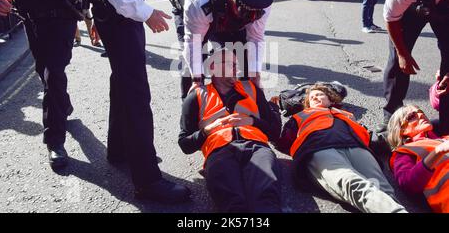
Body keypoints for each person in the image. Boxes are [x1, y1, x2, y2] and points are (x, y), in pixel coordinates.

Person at [87, 0, 190, 203]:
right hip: (121, 14)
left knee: (123, 80)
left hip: (116, 12)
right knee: (135, 91)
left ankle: (119, 148)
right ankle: (146, 181)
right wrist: (144, 12)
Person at [0, 0, 88, 170]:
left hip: (62, 18)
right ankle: (63, 103)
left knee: (54, 73)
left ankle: (55, 142)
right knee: (43, 70)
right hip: (32, 18)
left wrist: (92, 16)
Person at [276, 83, 407, 213]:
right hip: (320, 149)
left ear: (330, 99)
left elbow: (366, 136)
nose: (315, 98)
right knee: (351, 183)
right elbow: (282, 142)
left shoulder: (346, 115)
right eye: (311, 97)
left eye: (320, 94)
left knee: (382, 188)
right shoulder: (299, 116)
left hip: (357, 148)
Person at [178, 48, 282, 212]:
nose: (236, 68)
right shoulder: (196, 96)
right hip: (219, 151)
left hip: (257, 147)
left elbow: (275, 133)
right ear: (212, 67)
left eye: (236, 64)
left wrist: (252, 121)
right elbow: (185, 144)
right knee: (230, 200)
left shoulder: (252, 89)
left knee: (266, 195)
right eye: (230, 64)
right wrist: (207, 130)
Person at [170, 0, 273, 100]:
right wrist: (197, 81)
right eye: (246, 12)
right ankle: (191, 108)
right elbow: (193, 42)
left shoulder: (262, 0)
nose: (252, 18)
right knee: (191, 67)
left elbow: (255, 39)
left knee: (245, 63)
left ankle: (238, 106)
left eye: (257, 14)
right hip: (199, 11)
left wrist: (255, 76)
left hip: (226, 13)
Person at [380, 0, 449, 136]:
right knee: (397, 61)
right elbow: (390, 16)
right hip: (413, 8)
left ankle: (446, 122)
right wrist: (403, 54)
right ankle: (392, 116)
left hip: (445, 15)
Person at [387, 105, 449, 213]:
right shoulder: (405, 151)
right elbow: (407, 183)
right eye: (412, 116)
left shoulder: (445, 138)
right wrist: (437, 151)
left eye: (421, 111)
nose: (421, 115)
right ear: (402, 130)